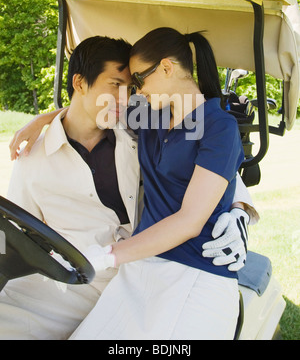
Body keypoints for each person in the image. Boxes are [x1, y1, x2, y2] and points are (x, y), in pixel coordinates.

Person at [1, 35, 257, 340]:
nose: (127, 98)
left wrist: (240, 209)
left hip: (147, 265)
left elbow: (212, 156)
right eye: (115, 86)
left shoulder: (138, 124)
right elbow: (14, 237)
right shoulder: (35, 158)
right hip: (77, 280)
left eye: (132, 87)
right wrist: (44, 119)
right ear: (79, 84)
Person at [70, 28, 251, 341]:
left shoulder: (218, 127)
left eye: (140, 80)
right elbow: (88, 110)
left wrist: (108, 255)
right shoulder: (150, 116)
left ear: (167, 68)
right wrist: (41, 122)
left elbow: (189, 221)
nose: (136, 92)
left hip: (195, 273)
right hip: (141, 268)